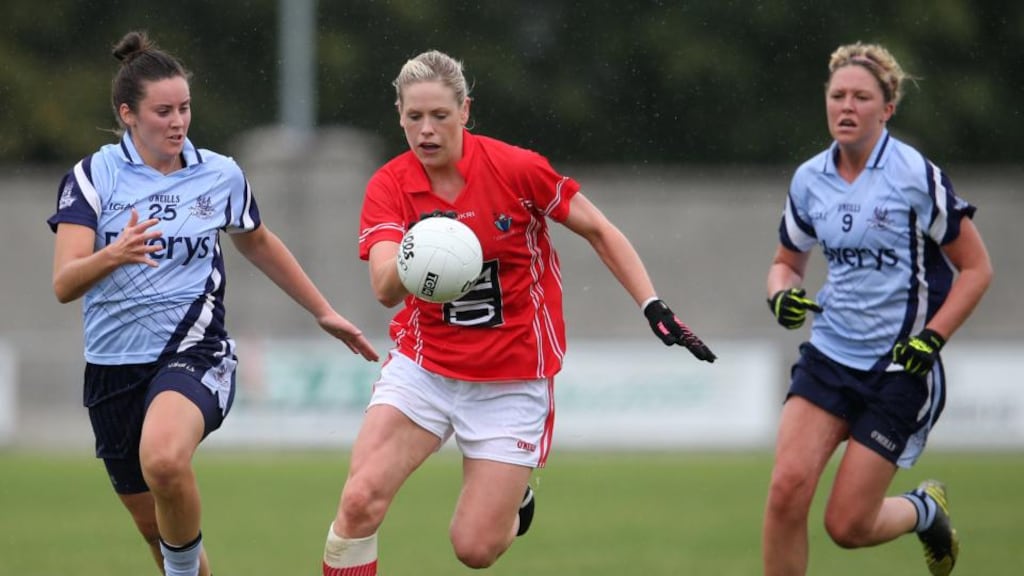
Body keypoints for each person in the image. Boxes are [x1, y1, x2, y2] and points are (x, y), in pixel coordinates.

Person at [319, 49, 716, 575]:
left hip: (512, 378)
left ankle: (515, 504)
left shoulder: (516, 169)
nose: (427, 130)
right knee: (359, 500)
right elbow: (385, 291)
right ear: (399, 115)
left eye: (440, 115)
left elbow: (599, 229)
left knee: (474, 549)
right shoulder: (391, 185)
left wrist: (652, 306)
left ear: (465, 111)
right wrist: (422, 251)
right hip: (425, 368)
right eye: (414, 117)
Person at [47, 31, 379, 576]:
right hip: (112, 374)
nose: (177, 122)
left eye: (184, 108)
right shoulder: (92, 178)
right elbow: (65, 283)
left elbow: (258, 241)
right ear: (127, 114)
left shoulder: (219, 174)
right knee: (158, 531)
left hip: (195, 353)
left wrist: (323, 310)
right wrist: (117, 253)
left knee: (164, 458)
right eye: (162, 111)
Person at [762, 42, 992, 576]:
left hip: (899, 369)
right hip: (829, 357)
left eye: (861, 97)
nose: (847, 106)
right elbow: (785, 263)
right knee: (785, 491)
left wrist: (932, 339)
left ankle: (924, 511)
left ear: (887, 108)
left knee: (846, 527)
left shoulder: (915, 176)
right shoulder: (809, 179)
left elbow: (977, 270)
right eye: (837, 95)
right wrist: (781, 295)